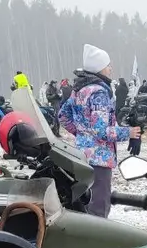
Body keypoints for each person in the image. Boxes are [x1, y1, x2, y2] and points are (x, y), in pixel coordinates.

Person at [57, 44, 140, 218]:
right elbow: (102, 131)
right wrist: (128, 132)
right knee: (99, 208)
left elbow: (63, 116)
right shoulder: (99, 93)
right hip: (99, 159)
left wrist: (81, 134)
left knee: (84, 204)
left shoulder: (80, 89)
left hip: (82, 156)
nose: (111, 68)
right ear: (99, 67)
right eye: (108, 65)